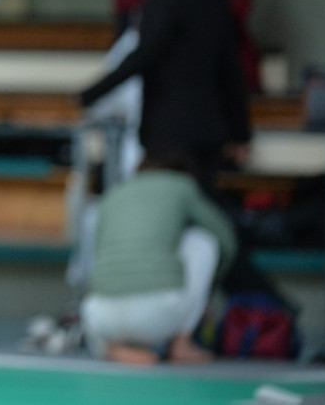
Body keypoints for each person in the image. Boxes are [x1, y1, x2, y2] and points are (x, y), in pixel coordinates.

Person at [80, 0, 251, 196]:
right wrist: (240, 131)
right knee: (199, 209)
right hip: (209, 128)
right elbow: (230, 65)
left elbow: (147, 52)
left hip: (170, 130)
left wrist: (89, 95)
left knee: (167, 212)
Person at [81, 152, 237, 364]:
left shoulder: (115, 192)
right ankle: (181, 344)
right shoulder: (182, 185)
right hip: (157, 315)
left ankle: (111, 347)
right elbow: (226, 240)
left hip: (99, 316)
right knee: (202, 241)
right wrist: (211, 287)